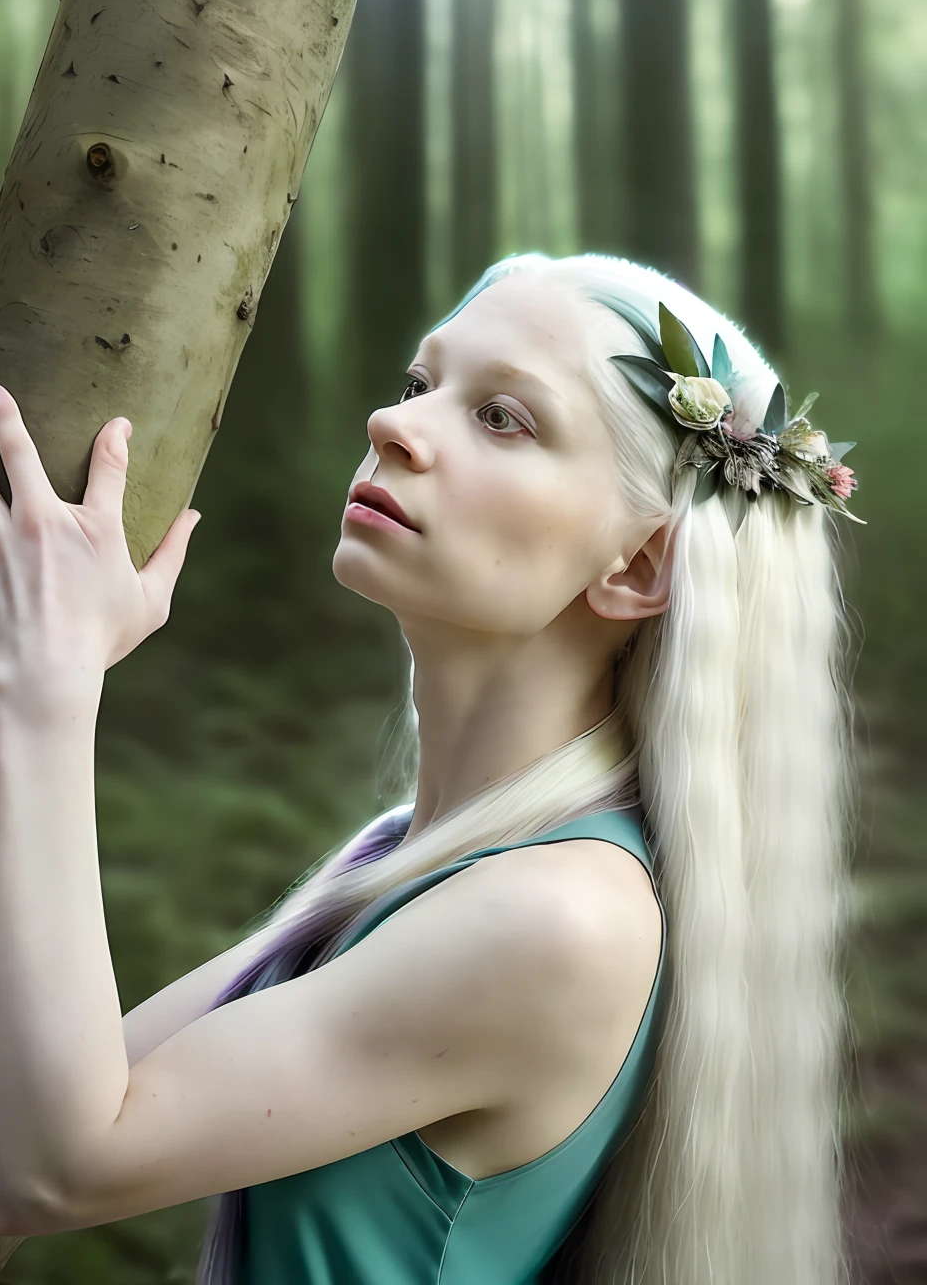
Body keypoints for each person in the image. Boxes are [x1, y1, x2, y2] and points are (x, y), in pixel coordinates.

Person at [187, 252, 863, 1284]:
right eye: (422, 386)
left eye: (502, 416)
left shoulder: (555, 913)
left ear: (637, 566)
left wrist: (46, 686)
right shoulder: (402, 851)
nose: (393, 424)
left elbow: (54, 1159)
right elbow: (70, 1081)